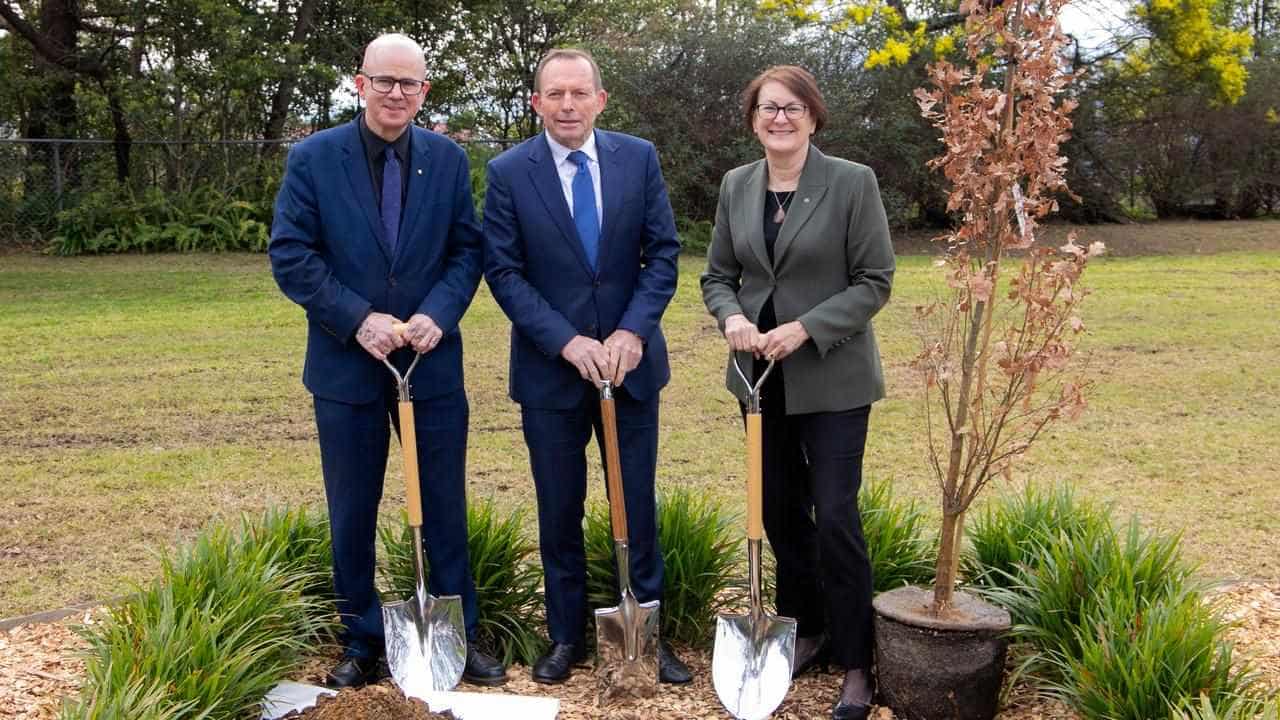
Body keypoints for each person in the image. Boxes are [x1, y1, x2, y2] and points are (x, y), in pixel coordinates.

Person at [269, 33, 505, 689]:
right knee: (352, 510)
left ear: (424, 91)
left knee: (444, 509)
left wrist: (438, 312)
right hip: (347, 369)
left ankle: (456, 635)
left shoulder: (448, 161)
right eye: (385, 81)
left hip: (430, 366)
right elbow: (292, 255)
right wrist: (357, 320)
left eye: (410, 84)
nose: (397, 93)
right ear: (360, 83)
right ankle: (362, 639)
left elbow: (467, 252)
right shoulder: (314, 160)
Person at [481, 47, 690, 685]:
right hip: (552, 374)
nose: (568, 105)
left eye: (580, 93)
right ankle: (566, 636)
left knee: (638, 505)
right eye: (555, 94)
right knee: (558, 507)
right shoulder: (510, 171)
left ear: (601, 100)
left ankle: (647, 637)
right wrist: (567, 342)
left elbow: (664, 254)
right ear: (536, 102)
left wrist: (631, 332)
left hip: (630, 371)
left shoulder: (639, 158)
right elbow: (505, 271)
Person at [700, 65, 895, 720]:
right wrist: (730, 316)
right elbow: (718, 274)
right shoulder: (738, 185)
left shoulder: (850, 183)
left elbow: (875, 281)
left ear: (813, 116)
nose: (778, 118)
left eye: (791, 108)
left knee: (835, 516)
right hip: (758, 379)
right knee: (781, 513)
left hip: (833, 377)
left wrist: (806, 329)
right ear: (753, 119)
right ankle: (804, 629)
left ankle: (857, 662)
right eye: (766, 108)